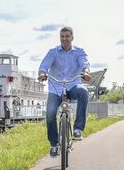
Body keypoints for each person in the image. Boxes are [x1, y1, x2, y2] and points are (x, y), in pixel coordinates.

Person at [38, 27, 91, 157]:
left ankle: (78, 129)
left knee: (83, 92)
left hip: (72, 85)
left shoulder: (79, 52)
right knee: (50, 113)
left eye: (67, 36)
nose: (64, 39)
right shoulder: (53, 52)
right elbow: (44, 65)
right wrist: (42, 73)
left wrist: (86, 72)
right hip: (55, 87)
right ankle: (54, 144)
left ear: (72, 37)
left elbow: (85, 63)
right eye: (62, 36)